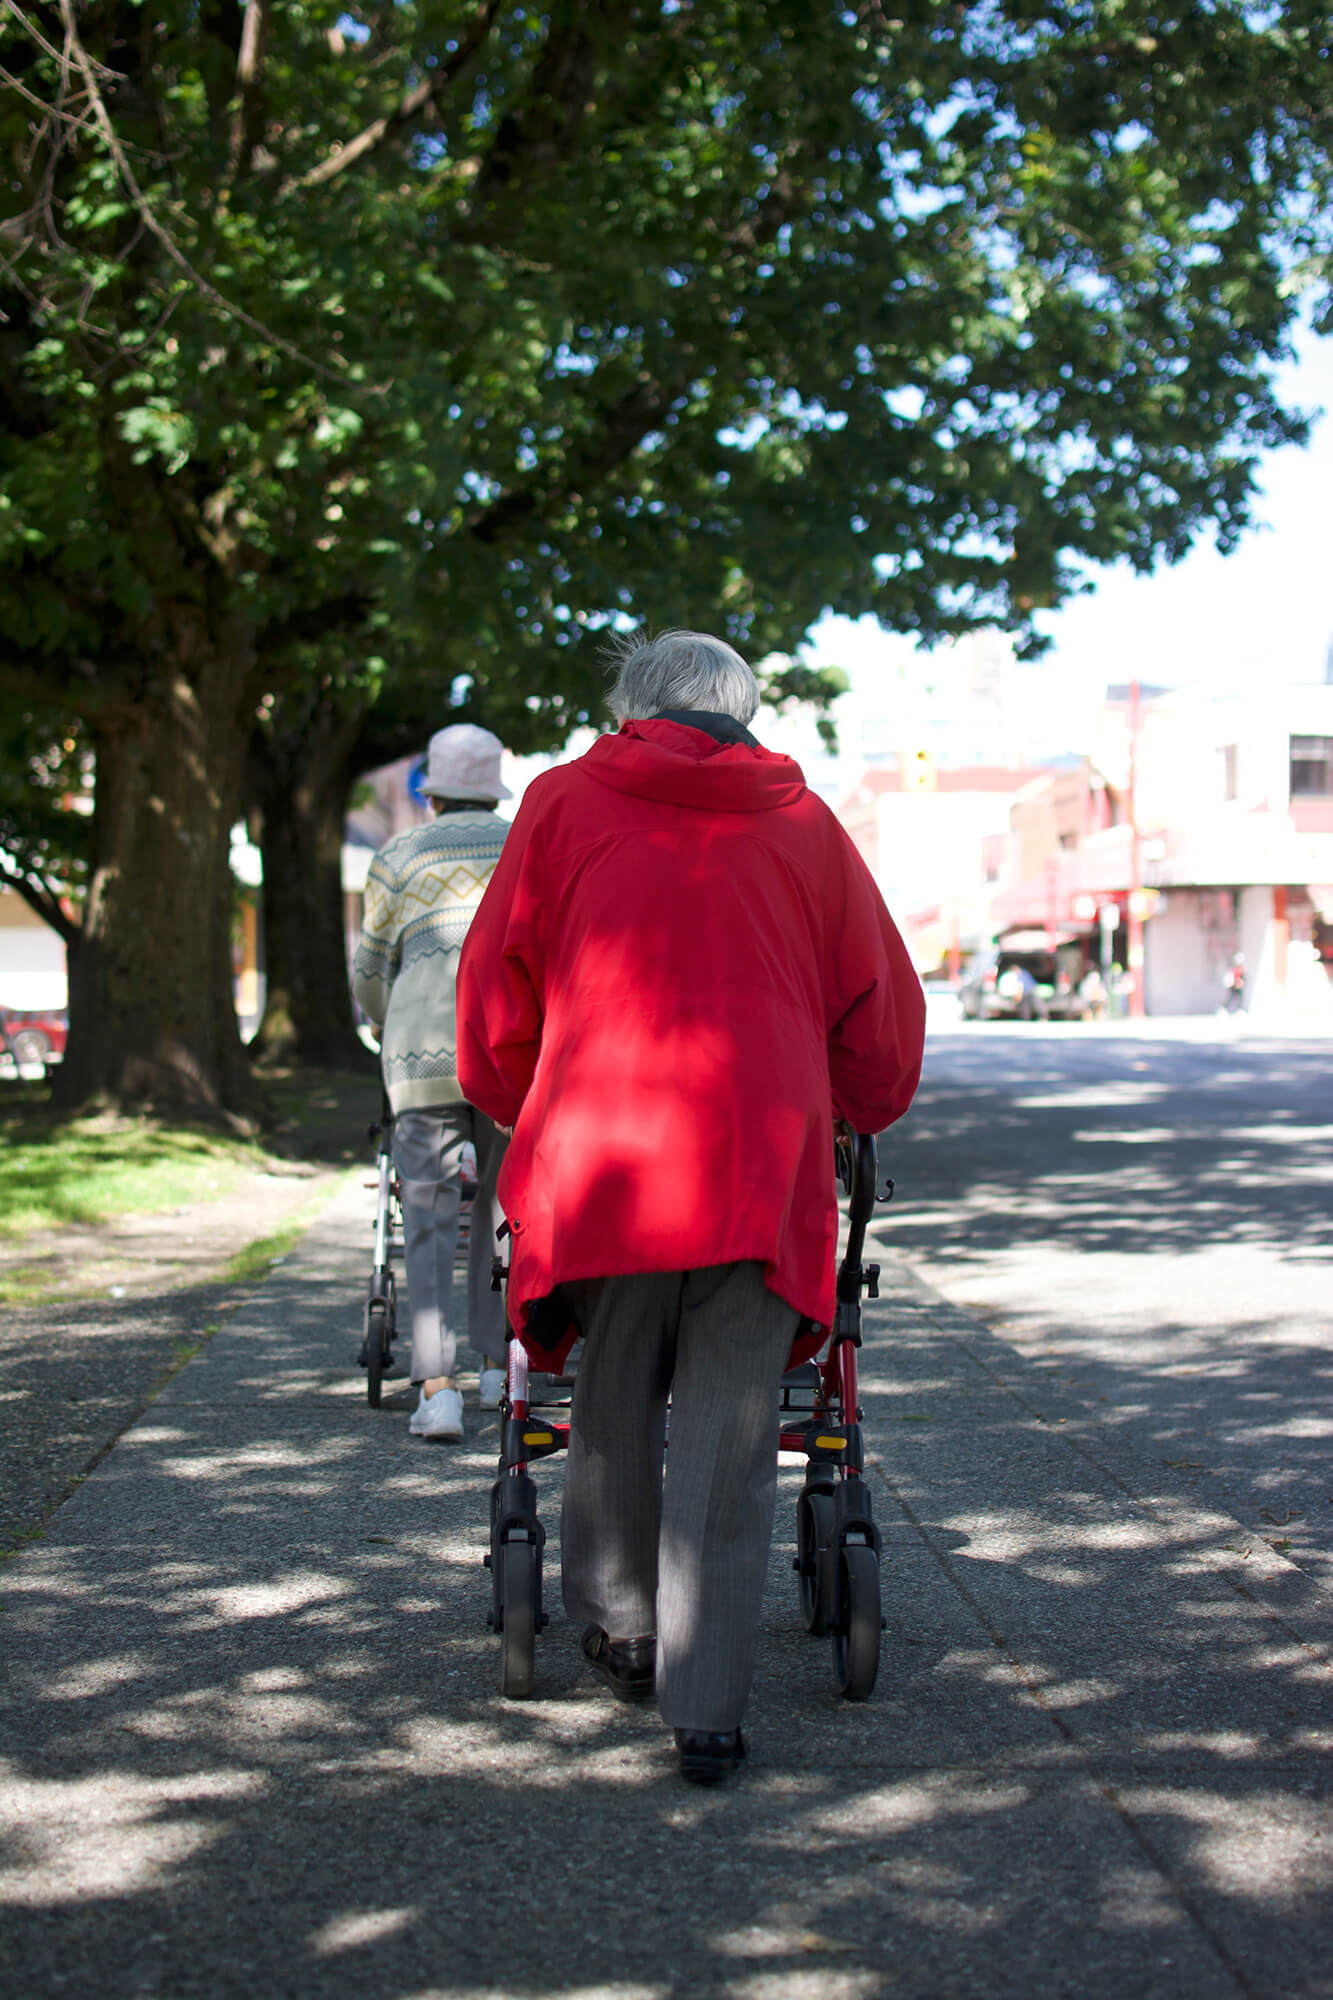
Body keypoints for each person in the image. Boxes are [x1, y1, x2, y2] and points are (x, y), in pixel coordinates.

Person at [455, 630, 925, 1783]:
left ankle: (620, 1624)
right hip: (759, 1157)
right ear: (745, 712)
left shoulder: (563, 804)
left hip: (603, 1150)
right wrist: (851, 1101)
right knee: (731, 1416)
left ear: (631, 705)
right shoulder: (804, 825)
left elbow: (493, 989)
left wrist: (526, 1098)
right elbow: (881, 1014)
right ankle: (707, 1702)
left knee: (611, 1385)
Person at [352, 724, 513, 1443]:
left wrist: (391, 1027)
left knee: (424, 1213)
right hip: (509, 1048)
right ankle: (496, 1366)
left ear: (433, 792)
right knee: (506, 1212)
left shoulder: (399, 853)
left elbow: (368, 970)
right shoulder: (524, 845)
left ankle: (434, 1388)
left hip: (418, 1051)